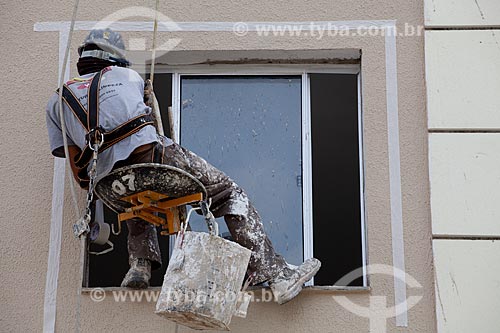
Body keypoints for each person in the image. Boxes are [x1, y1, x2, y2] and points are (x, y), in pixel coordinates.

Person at [45, 28, 320, 304]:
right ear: (115, 57)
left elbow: (80, 175)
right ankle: (277, 276)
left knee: (138, 199)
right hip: (153, 160)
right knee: (228, 193)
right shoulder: (128, 77)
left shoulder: (57, 101)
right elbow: (144, 136)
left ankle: (140, 264)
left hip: (109, 187)